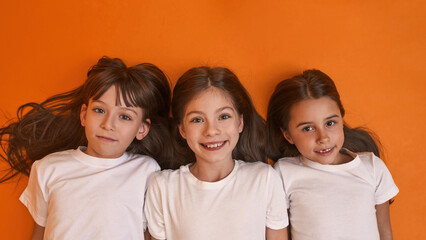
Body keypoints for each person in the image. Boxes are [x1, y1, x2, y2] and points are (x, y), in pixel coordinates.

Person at [0, 56, 172, 239]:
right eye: (99, 110)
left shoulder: (147, 171)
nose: (108, 124)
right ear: (84, 115)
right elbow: (39, 233)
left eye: (125, 117)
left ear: (142, 129)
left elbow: (151, 234)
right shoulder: (47, 168)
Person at [144, 66, 289, 240]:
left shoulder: (264, 180)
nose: (211, 130)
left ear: (240, 123)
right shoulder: (162, 187)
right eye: (197, 120)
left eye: (224, 116)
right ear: (182, 129)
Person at [266, 69, 399, 240]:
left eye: (330, 123)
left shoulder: (372, 168)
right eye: (308, 128)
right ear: (288, 135)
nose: (323, 137)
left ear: (342, 120)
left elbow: (385, 233)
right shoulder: (284, 173)